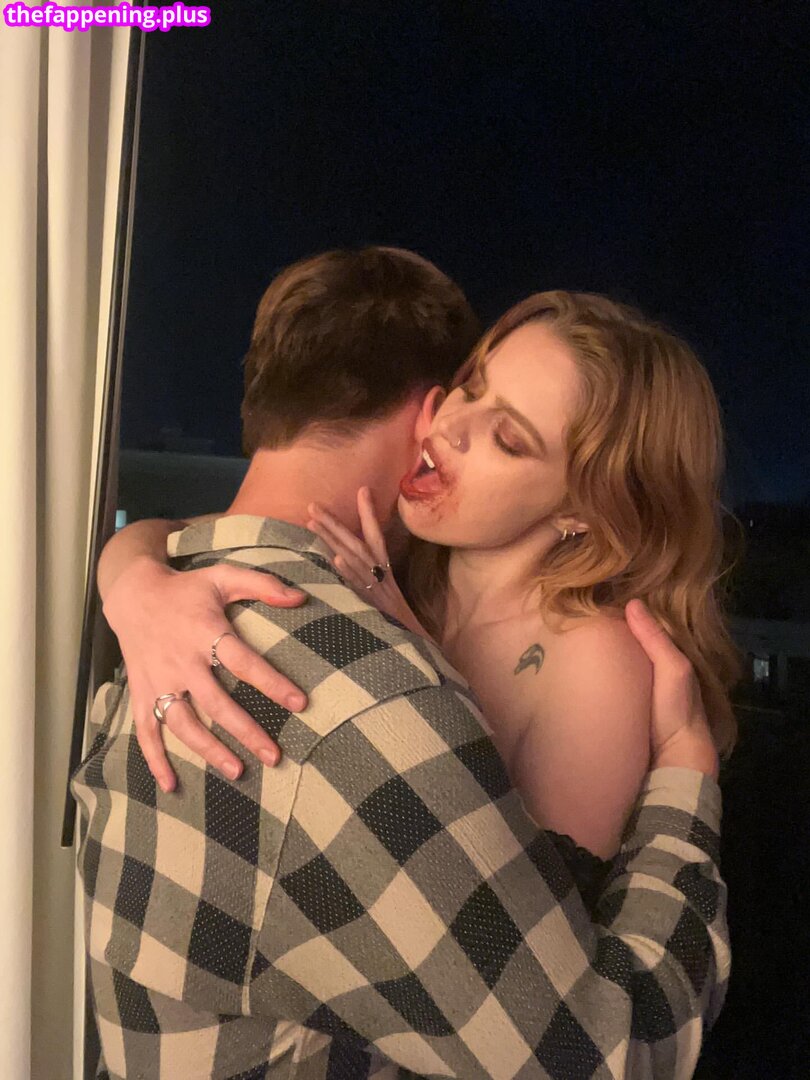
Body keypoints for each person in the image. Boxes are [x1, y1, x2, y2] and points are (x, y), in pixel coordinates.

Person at [74, 246, 729, 1079]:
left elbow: (530, 991)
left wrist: (686, 761)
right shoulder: (390, 566)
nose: (446, 426)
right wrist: (133, 580)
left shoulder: (593, 663)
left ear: (583, 511)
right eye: (471, 387)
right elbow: (211, 533)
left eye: (508, 438)